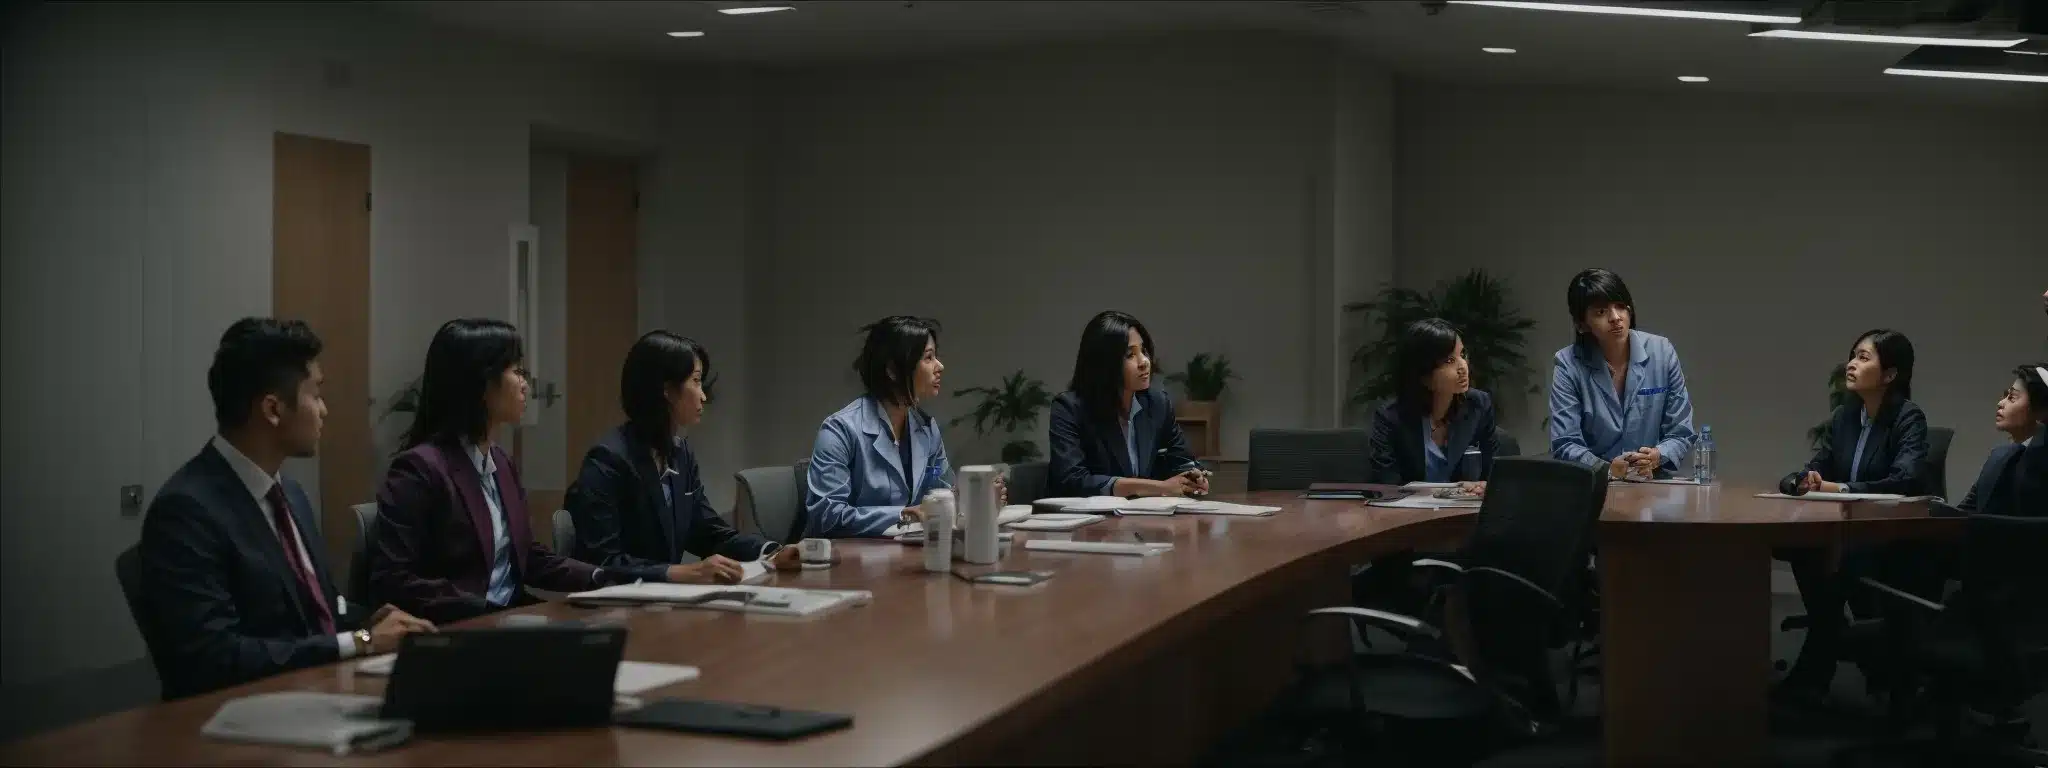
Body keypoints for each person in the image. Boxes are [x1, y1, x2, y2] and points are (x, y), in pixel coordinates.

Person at [138, 318, 434, 699]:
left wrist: (372, 620)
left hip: (316, 693)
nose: (324, 410)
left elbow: (315, 609)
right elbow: (213, 657)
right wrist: (361, 641)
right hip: (240, 722)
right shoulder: (187, 510)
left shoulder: (290, 493)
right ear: (274, 409)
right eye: (316, 395)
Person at [373, 318, 622, 623]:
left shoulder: (501, 463)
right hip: (459, 627)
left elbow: (526, 555)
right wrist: (490, 613)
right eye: (517, 371)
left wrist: (599, 577)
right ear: (481, 383)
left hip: (510, 620)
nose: (525, 384)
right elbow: (395, 578)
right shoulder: (419, 469)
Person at [564, 331, 802, 583]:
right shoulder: (607, 461)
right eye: (696, 381)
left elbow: (707, 532)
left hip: (662, 603)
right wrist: (681, 572)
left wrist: (772, 552)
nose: (703, 395)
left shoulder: (680, 453)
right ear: (667, 390)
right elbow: (603, 561)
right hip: (613, 609)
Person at [1775, 329, 1931, 702]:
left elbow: (1905, 481)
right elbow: (1816, 468)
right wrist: (1802, 481)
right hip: (1850, 533)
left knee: (1838, 565)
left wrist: (1841, 488)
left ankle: (1817, 671)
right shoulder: (1847, 417)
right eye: (1853, 355)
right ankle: (1850, 658)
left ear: (1890, 374)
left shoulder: (1908, 419)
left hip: (1889, 536)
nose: (1851, 364)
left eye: (1864, 358)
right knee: (1799, 549)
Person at [803, 316, 955, 538]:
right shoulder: (840, 430)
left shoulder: (926, 428)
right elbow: (827, 516)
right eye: (928, 358)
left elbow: (942, 493)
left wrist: (974, 495)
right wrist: (902, 515)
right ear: (893, 370)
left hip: (904, 555)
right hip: (844, 562)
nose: (940, 366)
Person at [1547, 268, 1696, 480]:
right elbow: (1565, 442)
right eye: (1601, 312)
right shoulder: (1568, 364)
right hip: (1593, 485)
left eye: (1620, 307)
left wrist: (1658, 455)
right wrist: (1606, 469)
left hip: (1653, 482)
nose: (1616, 318)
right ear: (1581, 325)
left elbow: (1681, 431)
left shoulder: (1661, 351)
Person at [1046, 311, 1207, 499]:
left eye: (1143, 351)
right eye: (1130, 355)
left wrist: (1193, 475)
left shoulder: (1157, 404)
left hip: (1144, 520)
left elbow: (1181, 459)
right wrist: (1160, 487)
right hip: (1087, 521)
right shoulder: (1069, 408)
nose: (1144, 362)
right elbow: (1072, 480)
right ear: (1104, 363)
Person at [1367, 318, 1498, 492]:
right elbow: (1387, 484)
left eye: (1463, 355)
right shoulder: (1391, 418)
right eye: (1449, 361)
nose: (1463, 367)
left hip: (1465, 513)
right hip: (1411, 516)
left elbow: (1495, 475)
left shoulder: (1479, 405)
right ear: (1423, 374)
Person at [1957, 363, 2048, 516]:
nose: (2001, 403)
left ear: (2040, 410)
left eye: (2012, 397)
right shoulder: (1998, 456)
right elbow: (1964, 512)